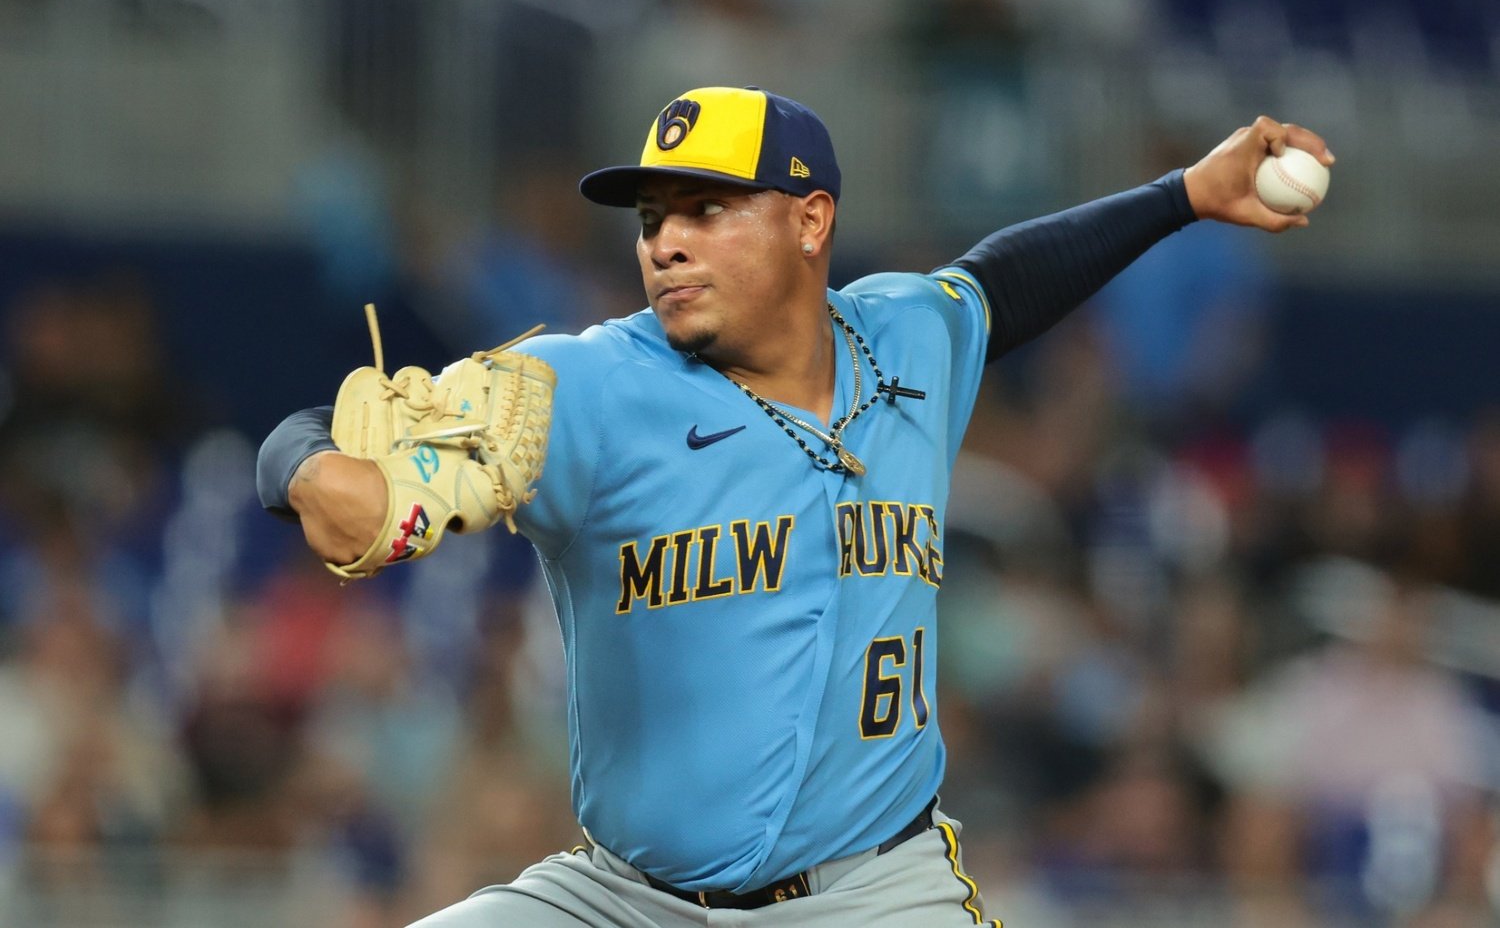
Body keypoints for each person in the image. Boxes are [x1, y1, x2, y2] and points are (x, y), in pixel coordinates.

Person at [257, 85, 1332, 926]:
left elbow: (1005, 282)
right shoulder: (586, 386)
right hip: (624, 900)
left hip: (877, 894)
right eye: (652, 218)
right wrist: (310, 470)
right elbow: (310, 433)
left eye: (706, 209)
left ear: (811, 219)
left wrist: (1183, 196)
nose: (665, 242)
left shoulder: (907, 338)